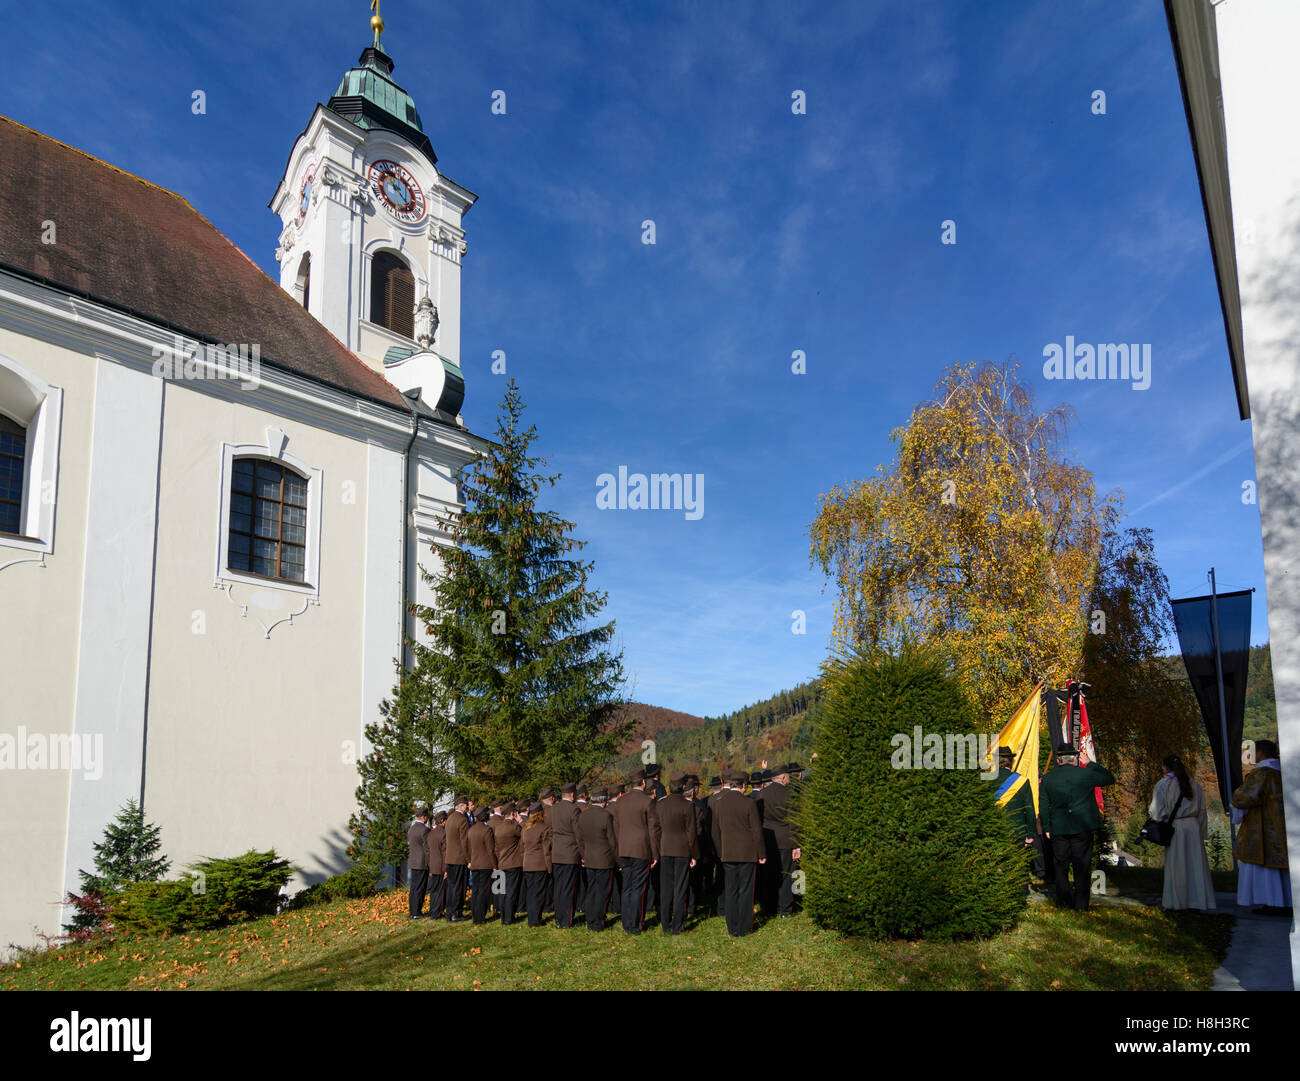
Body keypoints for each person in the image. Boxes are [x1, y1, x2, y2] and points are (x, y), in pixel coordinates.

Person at [1038, 744, 1116, 911]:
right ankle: (1081, 905)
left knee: (1061, 866)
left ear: (1058, 760)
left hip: (1058, 827)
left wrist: (1046, 827)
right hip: (1082, 826)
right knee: (1082, 866)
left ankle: (1064, 903)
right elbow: (1109, 778)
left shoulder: (1048, 778)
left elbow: (1043, 805)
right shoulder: (1086, 773)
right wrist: (1089, 763)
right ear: (1075, 759)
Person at [1149, 754, 1216, 911]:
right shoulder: (1195, 785)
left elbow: (1157, 812)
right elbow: (1202, 811)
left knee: (1177, 865)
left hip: (1176, 827)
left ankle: (1177, 902)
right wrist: (1202, 833)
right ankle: (1198, 901)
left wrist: (1160, 821)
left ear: (1165, 767)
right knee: (1196, 865)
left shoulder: (1163, 785)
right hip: (1193, 827)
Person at [1232, 739, 1291, 914]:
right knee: (1283, 866)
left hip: (1263, 827)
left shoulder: (1262, 773)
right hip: (1285, 825)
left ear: (1260, 753)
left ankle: (1273, 902)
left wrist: (1234, 802)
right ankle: (1287, 901)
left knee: (1266, 867)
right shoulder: (1285, 770)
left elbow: (1244, 798)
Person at [712, 768, 765, 936]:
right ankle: (744, 927)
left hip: (728, 853)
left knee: (731, 889)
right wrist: (761, 853)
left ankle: (732, 927)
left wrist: (721, 851)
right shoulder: (749, 803)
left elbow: (715, 831)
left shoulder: (719, 803)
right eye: (746, 786)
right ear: (742, 785)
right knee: (746, 891)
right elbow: (756, 831)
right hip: (747, 853)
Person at [610, 769, 661, 934]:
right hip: (641, 849)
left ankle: (627, 922)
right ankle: (635, 924)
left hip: (624, 849)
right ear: (643, 783)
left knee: (627, 887)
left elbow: (616, 828)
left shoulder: (620, 802)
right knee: (638, 887)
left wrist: (619, 847)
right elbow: (653, 831)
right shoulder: (647, 802)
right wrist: (655, 854)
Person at [657, 772, 699, 934]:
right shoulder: (688, 806)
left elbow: (656, 829)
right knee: (680, 888)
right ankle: (677, 925)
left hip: (665, 849)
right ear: (683, 787)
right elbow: (691, 833)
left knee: (666, 888)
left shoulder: (660, 805)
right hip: (682, 850)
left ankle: (665, 924)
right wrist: (694, 854)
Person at [993, 746, 1038, 888]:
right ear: (1011, 761)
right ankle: (1019, 896)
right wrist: (1030, 834)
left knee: (996, 865)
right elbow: (1030, 811)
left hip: (994, 829)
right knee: (1018, 865)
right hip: (1017, 830)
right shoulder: (1022, 781)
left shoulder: (986, 780)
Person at [760, 763, 802, 917]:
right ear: (784, 777)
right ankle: (785, 909)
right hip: (786, 840)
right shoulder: (790, 795)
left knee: (769, 875)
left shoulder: (762, 794)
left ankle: (769, 908)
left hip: (768, 840)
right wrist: (797, 845)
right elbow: (795, 822)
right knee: (786, 875)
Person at [578, 787, 619, 930]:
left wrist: (584, 855)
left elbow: (580, 839)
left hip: (589, 858)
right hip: (604, 859)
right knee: (603, 892)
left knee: (591, 890)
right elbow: (612, 841)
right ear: (603, 800)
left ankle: (590, 920)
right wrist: (617, 860)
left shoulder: (583, 815)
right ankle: (598, 921)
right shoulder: (606, 816)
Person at [550, 782, 583, 928]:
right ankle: (567, 920)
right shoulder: (574, 809)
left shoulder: (554, 809)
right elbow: (578, 834)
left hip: (557, 852)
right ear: (572, 794)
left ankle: (559, 918)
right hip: (570, 852)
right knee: (568, 888)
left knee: (558, 887)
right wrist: (583, 854)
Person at [491, 799, 523, 925]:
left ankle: (504, 917)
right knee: (511, 892)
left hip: (502, 863)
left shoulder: (498, 828)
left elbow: (497, 849)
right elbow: (526, 833)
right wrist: (520, 820)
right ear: (512, 813)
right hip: (513, 863)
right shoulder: (513, 827)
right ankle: (509, 918)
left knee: (503, 892)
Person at [521, 803, 552, 927]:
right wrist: (549, 867)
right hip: (539, 864)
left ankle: (531, 918)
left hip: (527, 863)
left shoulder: (525, 828)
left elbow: (522, 847)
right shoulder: (544, 828)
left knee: (531, 892)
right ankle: (536, 919)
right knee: (539, 893)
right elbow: (546, 850)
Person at [443, 794, 472, 922]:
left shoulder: (449, 819)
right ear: (462, 805)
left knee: (451, 887)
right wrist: (469, 859)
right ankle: (456, 912)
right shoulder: (462, 820)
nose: (467, 807)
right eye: (466, 805)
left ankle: (450, 912)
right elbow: (464, 842)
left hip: (450, 858)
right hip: (460, 858)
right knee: (459, 887)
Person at [467, 806, 497, 924]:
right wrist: (495, 865)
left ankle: (475, 915)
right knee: (483, 891)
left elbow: (468, 848)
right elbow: (490, 850)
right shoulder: (487, 830)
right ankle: (480, 917)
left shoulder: (471, 830)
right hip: (485, 864)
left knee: (475, 891)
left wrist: (470, 860)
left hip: (474, 864)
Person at [407, 805, 431, 919]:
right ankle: (417, 911)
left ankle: (412, 911)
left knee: (414, 888)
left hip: (413, 861)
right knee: (420, 888)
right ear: (423, 817)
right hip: (422, 862)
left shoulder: (412, 829)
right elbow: (427, 848)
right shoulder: (425, 830)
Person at [425, 810, 448, 919]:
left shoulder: (430, 834)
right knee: (439, 890)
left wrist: (429, 866)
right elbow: (444, 853)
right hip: (440, 866)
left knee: (433, 890)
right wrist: (445, 869)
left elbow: (428, 852)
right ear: (442, 821)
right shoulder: (443, 834)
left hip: (432, 865)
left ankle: (432, 910)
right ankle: (436, 912)